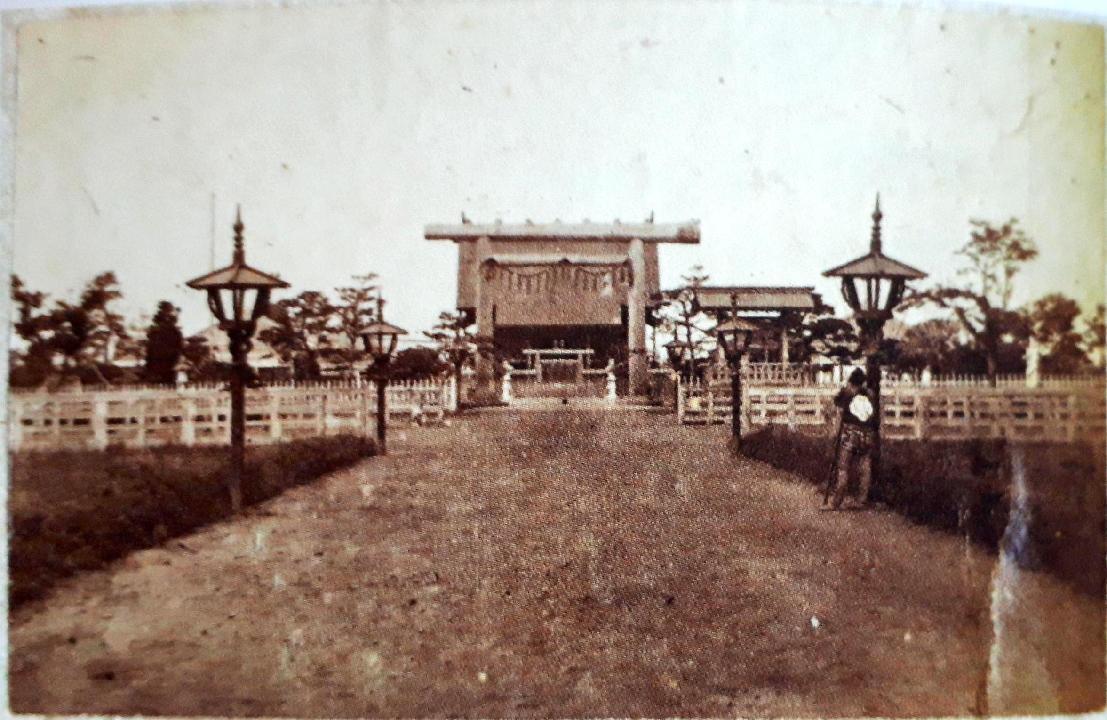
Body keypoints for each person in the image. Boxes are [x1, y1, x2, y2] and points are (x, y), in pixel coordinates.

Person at [826, 367, 877, 510]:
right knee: (865, 467)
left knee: (843, 468)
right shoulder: (870, 394)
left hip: (850, 433)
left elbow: (839, 414)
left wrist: (834, 434)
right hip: (867, 434)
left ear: (851, 381)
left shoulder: (846, 393)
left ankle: (836, 501)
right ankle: (862, 500)